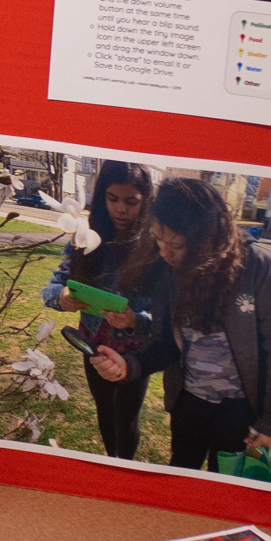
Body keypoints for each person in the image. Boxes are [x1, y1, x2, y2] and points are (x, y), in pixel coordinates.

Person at [109, 175, 271, 476]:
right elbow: (166, 343)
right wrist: (129, 364)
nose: (164, 252)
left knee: (225, 484)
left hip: (240, 410)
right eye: (158, 239)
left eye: (177, 244)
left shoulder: (260, 268)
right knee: (182, 475)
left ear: (209, 238)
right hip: (189, 404)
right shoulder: (167, 272)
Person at [40, 158, 167, 460]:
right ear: (101, 197)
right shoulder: (86, 235)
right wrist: (63, 297)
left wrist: (136, 320)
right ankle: (112, 462)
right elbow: (51, 288)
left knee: (126, 418)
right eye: (112, 199)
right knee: (104, 410)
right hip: (93, 345)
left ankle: (124, 467)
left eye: (131, 201)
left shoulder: (154, 246)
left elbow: (167, 316)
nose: (121, 209)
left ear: (145, 201)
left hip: (133, 352)